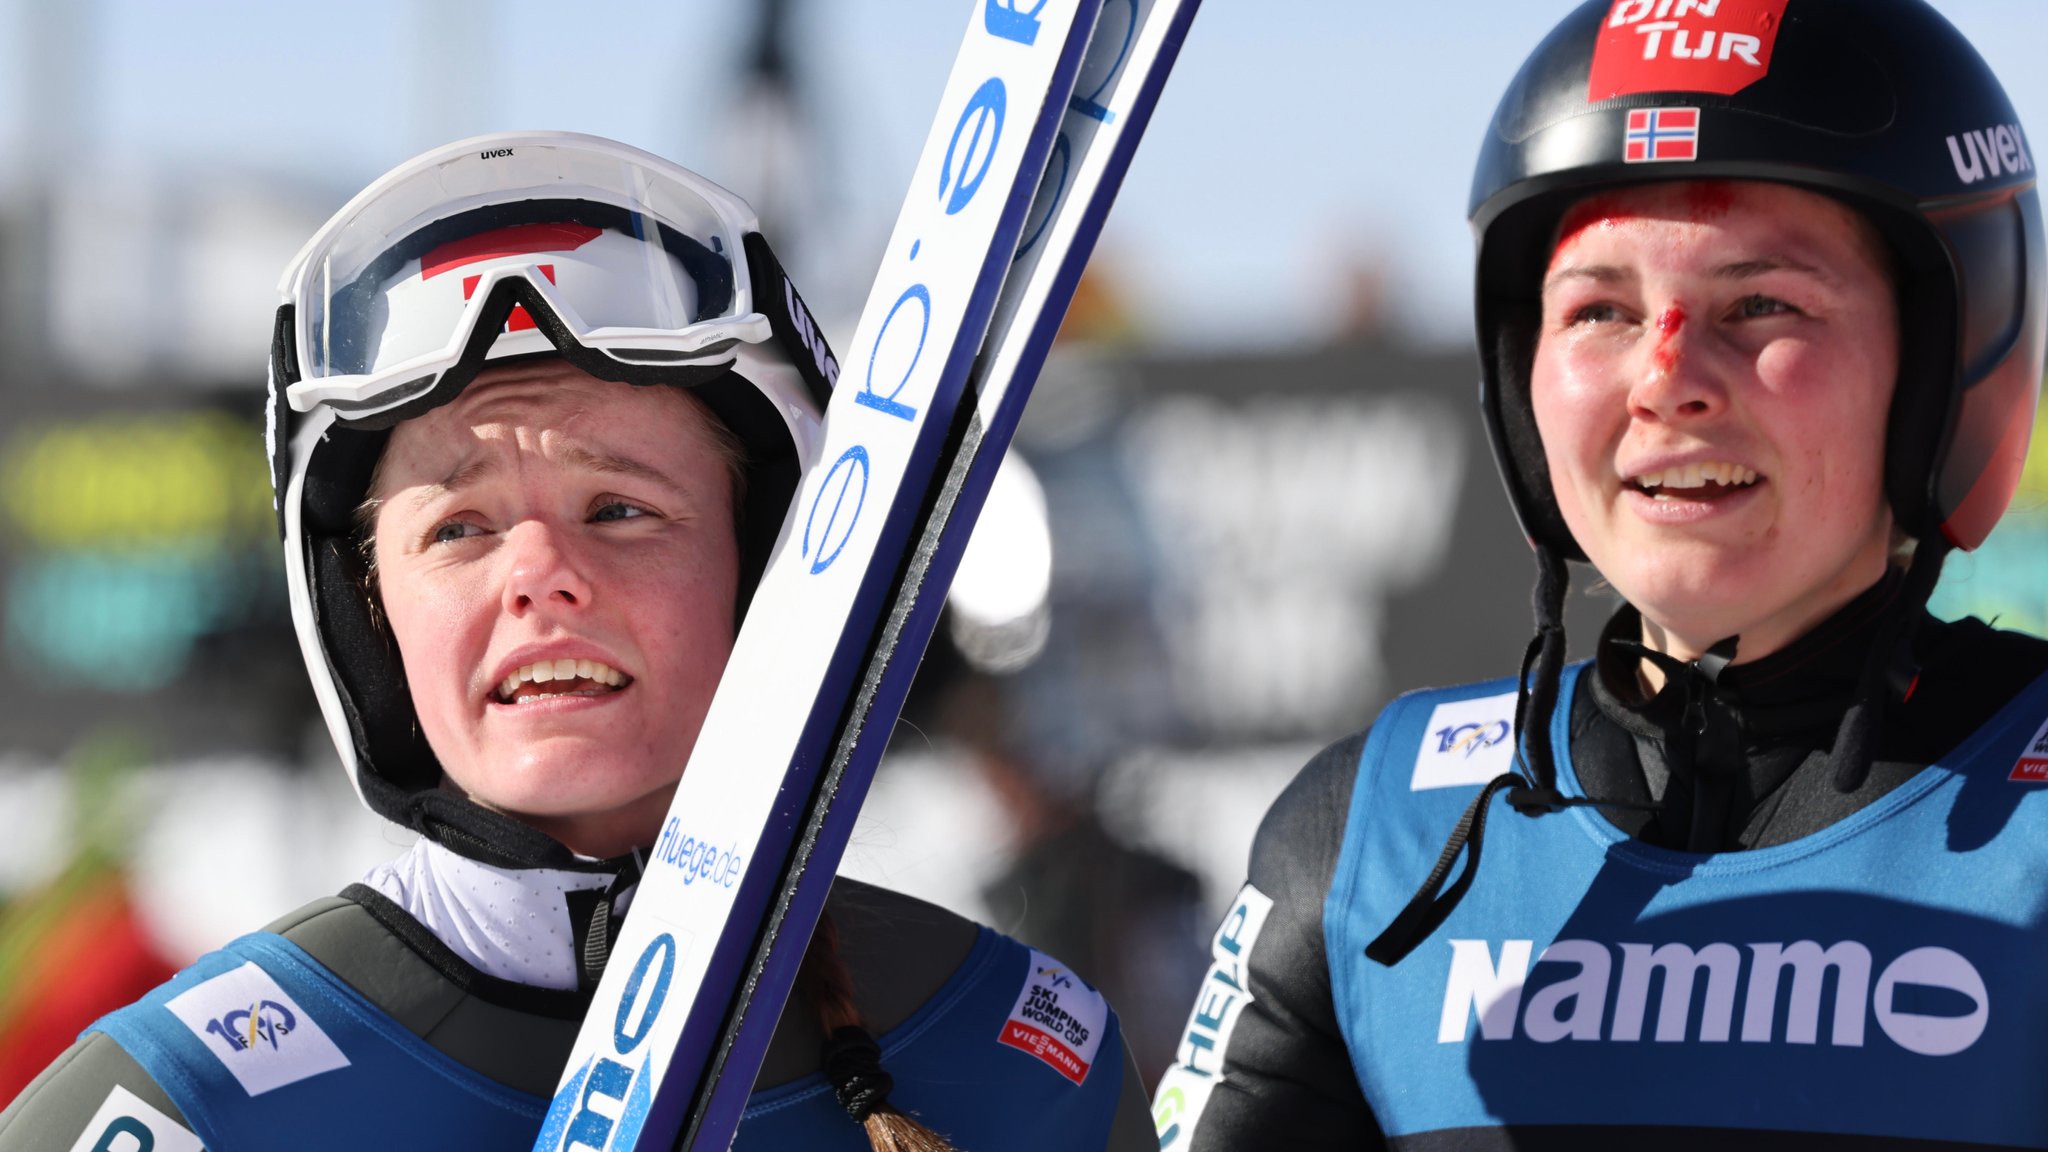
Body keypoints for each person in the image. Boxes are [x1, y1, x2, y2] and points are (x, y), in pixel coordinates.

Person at [0, 132, 1155, 1152]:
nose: (540, 575)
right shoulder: (185, 1102)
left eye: (620, 509)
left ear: (765, 569)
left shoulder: (1018, 1061)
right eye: (458, 526)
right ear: (369, 609)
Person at [1154, 1, 2048, 1147]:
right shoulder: (1371, 839)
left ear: (1941, 358)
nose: (1664, 379)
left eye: (1760, 303)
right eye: (1599, 310)